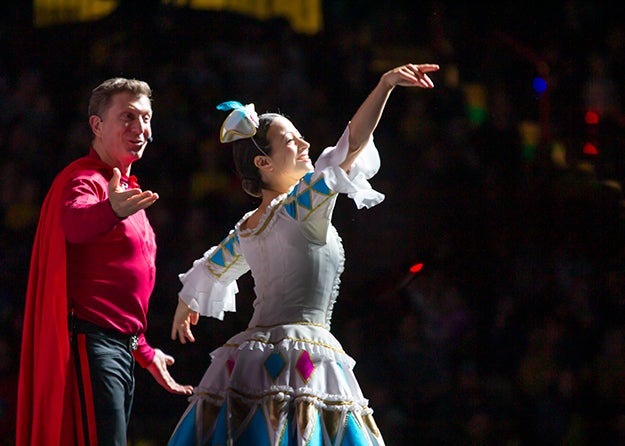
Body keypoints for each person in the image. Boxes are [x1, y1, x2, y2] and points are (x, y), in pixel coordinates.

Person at [168, 62, 439, 445]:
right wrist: (385, 85)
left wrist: (186, 301)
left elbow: (212, 268)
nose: (307, 144)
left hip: (247, 363)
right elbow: (352, 144)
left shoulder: (248, 226)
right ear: (263, 163)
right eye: (292, 141)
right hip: (304, 360)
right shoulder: (298, 206)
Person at [16, 77, 193, 446]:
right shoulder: (84, 178)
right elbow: (75, 225)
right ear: (97, 125)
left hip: (118, 348)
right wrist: (109, 208)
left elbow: (118, 291)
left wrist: (144, 352)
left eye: (146, 118)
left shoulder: (127, 191)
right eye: (127, 117)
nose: (140, 128)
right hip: (91, 344)